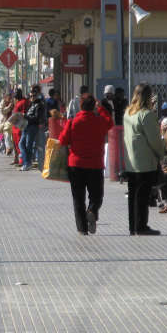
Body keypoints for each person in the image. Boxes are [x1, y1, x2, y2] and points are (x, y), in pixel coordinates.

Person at [59, 95, 113, 234]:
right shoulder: (100, 121)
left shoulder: (73, 122)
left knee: (78, 198)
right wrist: (100, 108)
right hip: (95, 164)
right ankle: (92, 210)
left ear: (80, 106)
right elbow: (110, 123)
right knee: (97, 196)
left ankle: (82, 229)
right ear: (93, 106)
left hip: (76, 165)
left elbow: (63, 140)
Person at [123, 83, 164, 235]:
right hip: (145, 162)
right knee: (143, 195)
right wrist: (161, 154)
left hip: (131, 161)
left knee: (133, 195)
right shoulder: (147, 114)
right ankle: (141, 226)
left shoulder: (128, 113)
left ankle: (132, 225)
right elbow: (154, 139)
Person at [20, 85, 45, 171]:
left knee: (28, 145)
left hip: (32, 127)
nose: (32, 97)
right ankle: (26, 162)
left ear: (37, 95)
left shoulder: (39, 105)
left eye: (33, 96)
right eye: (30, 96)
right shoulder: (31, 104)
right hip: (26, 126)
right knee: (21, 144)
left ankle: (27, 163)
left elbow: (37, 118)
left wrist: (26, 117)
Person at [11, 88, 28, 165]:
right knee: (16, 143)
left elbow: (23, 114)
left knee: (20, 143)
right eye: (15, 93)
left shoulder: (24, 102)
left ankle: (22, 160)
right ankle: (18, 159)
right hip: (14, 126)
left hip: (19, 126)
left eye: (17, 93)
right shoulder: (17, 102)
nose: (15, 94)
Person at [0, 92, 15, 156]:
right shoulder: (1, 104)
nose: (10, 99)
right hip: (4, 123)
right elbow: (3, 111)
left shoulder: (13, 103)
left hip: (12, 122)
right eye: (8, 98)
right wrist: (9, 107)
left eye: (11, 98)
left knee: (12, 138)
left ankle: (10, 149)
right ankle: (9, 148)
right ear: (5, 98)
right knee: (7, 136)